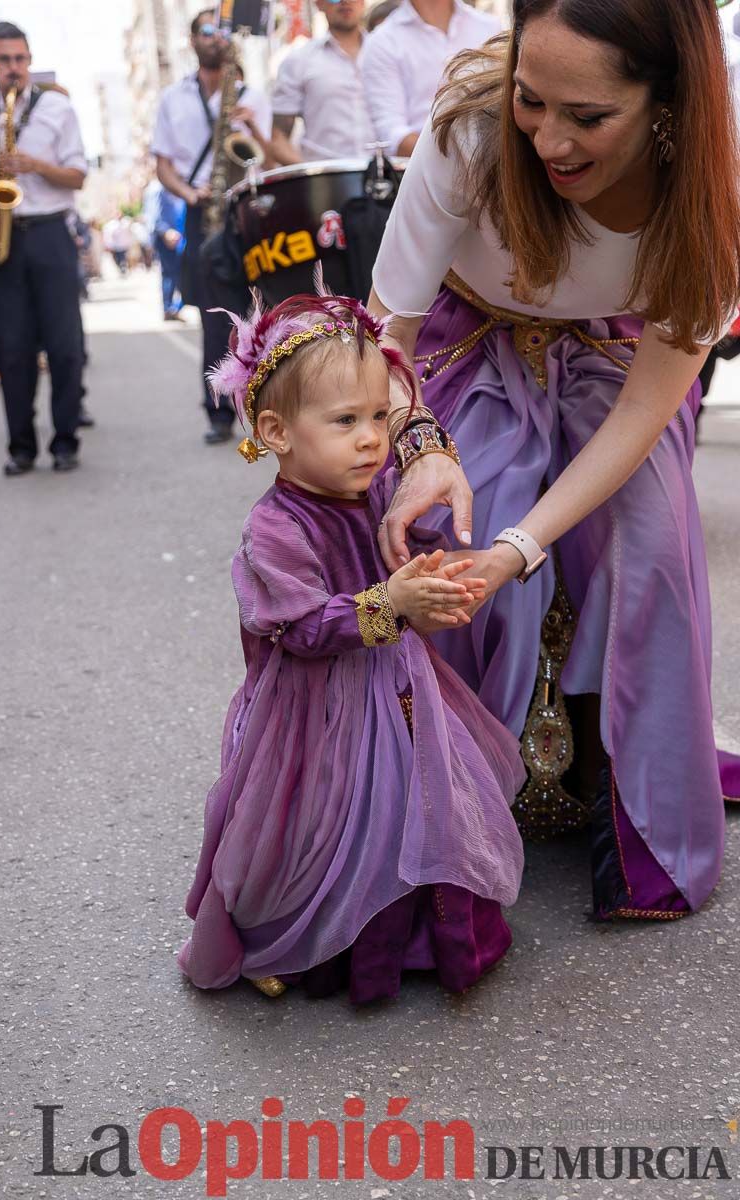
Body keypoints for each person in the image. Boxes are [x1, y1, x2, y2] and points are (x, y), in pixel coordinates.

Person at [368, 0, 740, 922]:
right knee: (455, 517)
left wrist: (520, 549)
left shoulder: (717, 192)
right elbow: (387, 336)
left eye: (588, 117)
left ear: (668, 103)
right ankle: (442, 813)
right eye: (533, 100)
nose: (549, 141)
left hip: (615, 368)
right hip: (456, 351)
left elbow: (648, 409)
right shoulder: (469, 128)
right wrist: (419, 450)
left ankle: (637, 820)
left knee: (647, 538)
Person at [177, 286, 525, 1002]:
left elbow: (405, 552)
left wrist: (427, 570)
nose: (372, 437)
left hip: (397, 691)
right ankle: (313, 938)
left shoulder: (373, 489)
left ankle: (415, 940)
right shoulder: (274, 528)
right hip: (312, 715)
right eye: (345, 421)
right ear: (275, 432)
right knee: (324, 821)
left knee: (407, 804)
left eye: (377, 416)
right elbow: (302, 628)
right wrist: (389, 604)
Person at [0, 21, 88, 475]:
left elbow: (78, 175)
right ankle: (20, 447)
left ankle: (66, 441)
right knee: (11, 348)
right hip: (6, 239)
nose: (14, 68)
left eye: (20, 59)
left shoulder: (57, 108)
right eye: (5, 60)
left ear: (29, 60)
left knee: (64, 345)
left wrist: (35, 165)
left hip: (51, 231)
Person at [152, 4, 272, 445]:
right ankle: (219, 411)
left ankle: (267, 404)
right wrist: (189, 194)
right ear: (192, 41)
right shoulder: (173, 99)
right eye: (205, 30)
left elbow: (270, 157)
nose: (214, 37)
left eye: (220, 30)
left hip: (248, 206)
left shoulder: (251, 95)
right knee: (212, 314)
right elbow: (163, 165)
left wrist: (254, 127)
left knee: (259, 309)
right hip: (204, 207)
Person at [360, 0, 500, 157]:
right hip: (423, 175)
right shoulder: (382, 42)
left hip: (496, 170)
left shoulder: (490, 27)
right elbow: (393, 135)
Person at [270, 0, 375, 164]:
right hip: (325, 180)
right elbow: (278, 139)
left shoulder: (390, 54)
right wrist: (312, 178)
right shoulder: (298, 60)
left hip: (390, 178)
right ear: (319, 4)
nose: (345, 2)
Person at [152, 187, 186, 321]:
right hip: (167, 239)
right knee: (169, 274)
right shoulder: (160, 191)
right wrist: (166, 232)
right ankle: (169, 308)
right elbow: (154, 215)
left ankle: (175, 308)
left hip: (181, 238)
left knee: (180, 274)